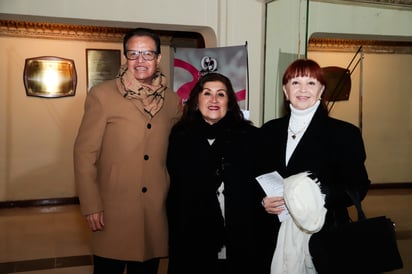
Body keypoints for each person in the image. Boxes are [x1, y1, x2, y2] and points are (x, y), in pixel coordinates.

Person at [73, 27, 182, 274]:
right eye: (133, 54)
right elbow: (84, 153)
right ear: (125, 57)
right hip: (112, 210)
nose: (140, 61)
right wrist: (91, 204)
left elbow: (179, 146)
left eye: (147, 54)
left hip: (154, 209)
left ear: (158, 58)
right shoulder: (102, 95)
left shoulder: (172, 101)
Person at [259, 59, 371, 273]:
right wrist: (262, 201)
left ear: (321, 91)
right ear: (285, 90)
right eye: (295, 83)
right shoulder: (268, 131)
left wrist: (314, 196)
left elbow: (358, 187)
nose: (302, 89)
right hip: (275, 232)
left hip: (324, 233)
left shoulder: (344, 134)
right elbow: (255, 176)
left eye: (311, 83)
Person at [166, 72, 270, 274]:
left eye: (221, 94)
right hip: (191, 233)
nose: (214, 100)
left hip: (240, 232)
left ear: (229, 102)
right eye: (207, 93)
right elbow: (173, 189)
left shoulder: (250, 137)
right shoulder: (180, 137)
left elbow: (262, 184)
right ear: (196, 100)